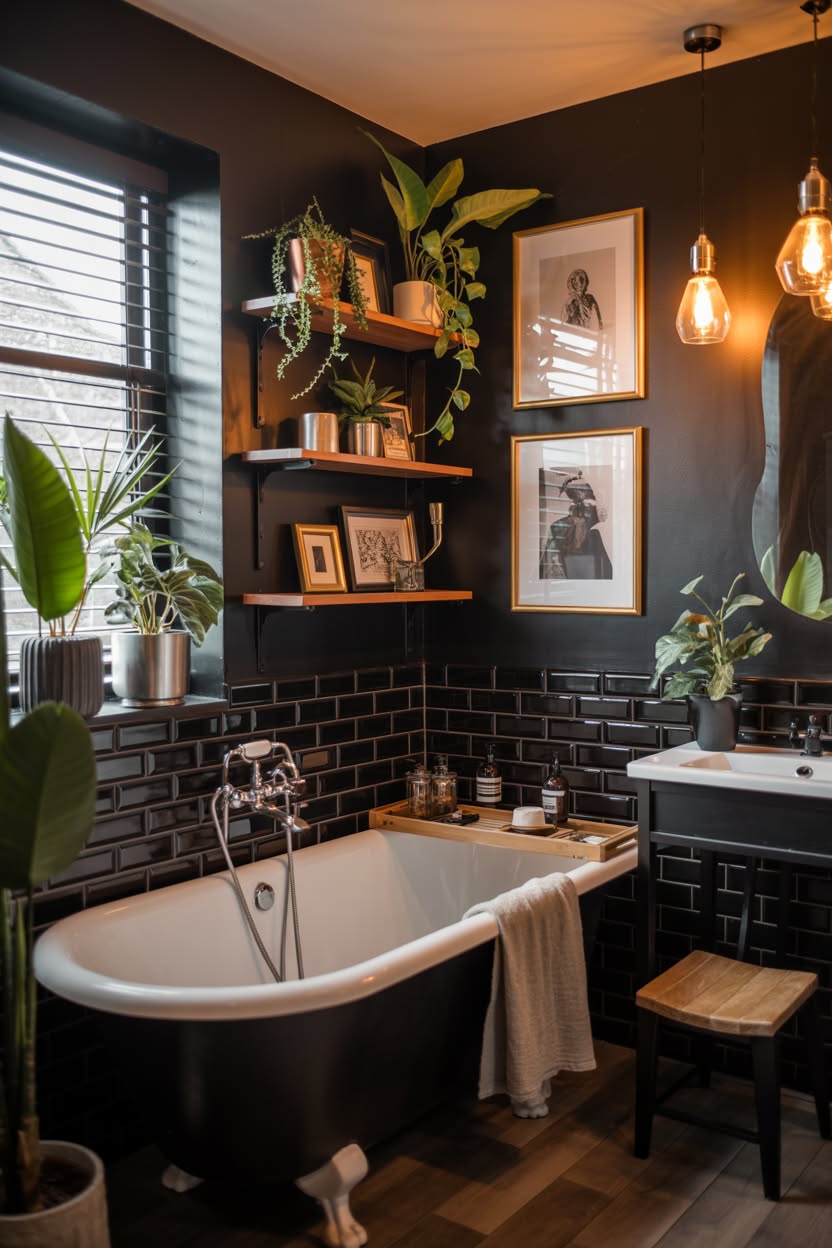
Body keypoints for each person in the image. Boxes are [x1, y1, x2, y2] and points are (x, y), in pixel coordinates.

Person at [540, 474, 612, 580]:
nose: (581, 509)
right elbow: (550, 569)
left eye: (587, 504)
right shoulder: (558, 528)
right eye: (575, 502)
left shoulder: (601, 530)